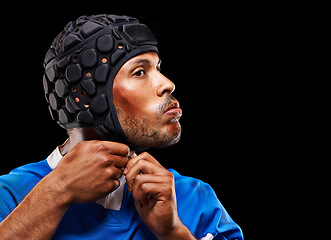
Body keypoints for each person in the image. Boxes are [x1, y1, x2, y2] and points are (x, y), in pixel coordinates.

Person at [0, 14, 243, 240]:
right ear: (82, 95)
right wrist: (56, 192)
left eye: (157, 69)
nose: (167, 84)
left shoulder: (191, 198)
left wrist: (173, 232)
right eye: (139, 72)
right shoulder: (10, 194)